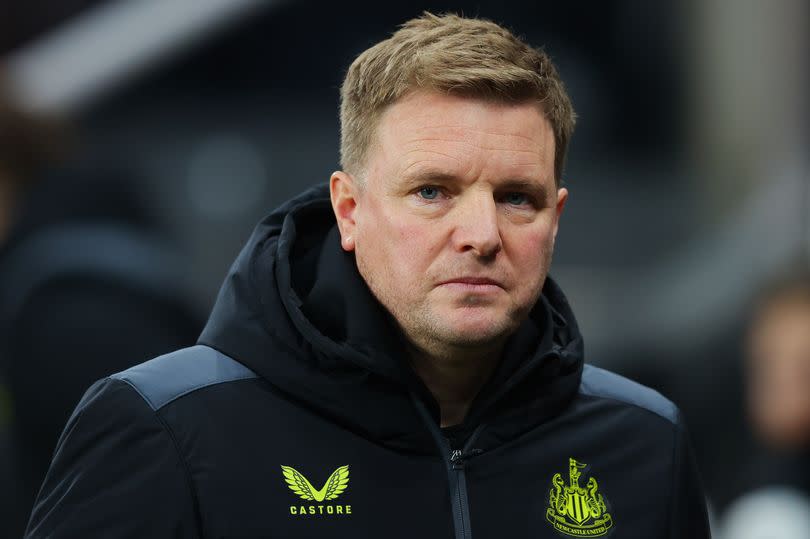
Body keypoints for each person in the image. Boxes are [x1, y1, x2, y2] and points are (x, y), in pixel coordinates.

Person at [26, 13, 711, 538]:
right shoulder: (167, 428)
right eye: (433, 192)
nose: (480, 235)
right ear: (349, 210)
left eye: (516, 198)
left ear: (555, 218)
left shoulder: (644, 443)